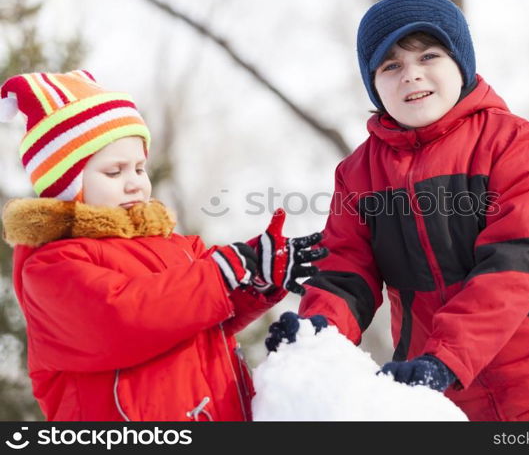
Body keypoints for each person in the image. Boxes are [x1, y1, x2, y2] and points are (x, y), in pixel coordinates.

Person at [265, 0, 529, 421]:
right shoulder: (357, 175)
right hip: (447, 404)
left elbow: (513, 262)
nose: (410, 75)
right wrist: (318, 333)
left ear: (460, 63)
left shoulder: (511, 143)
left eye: (428, 56)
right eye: (391, 65)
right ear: (373, 83)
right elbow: (345, 272)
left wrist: (446, 359)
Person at [0, 69, 327, 421]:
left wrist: (256, 274)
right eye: (115, 172)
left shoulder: (177, 247)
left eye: (140, 169)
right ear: (67, 185)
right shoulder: (51, 264)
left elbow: (205, 310)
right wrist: (222, 274)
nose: (134, 184)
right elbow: (122, 317)